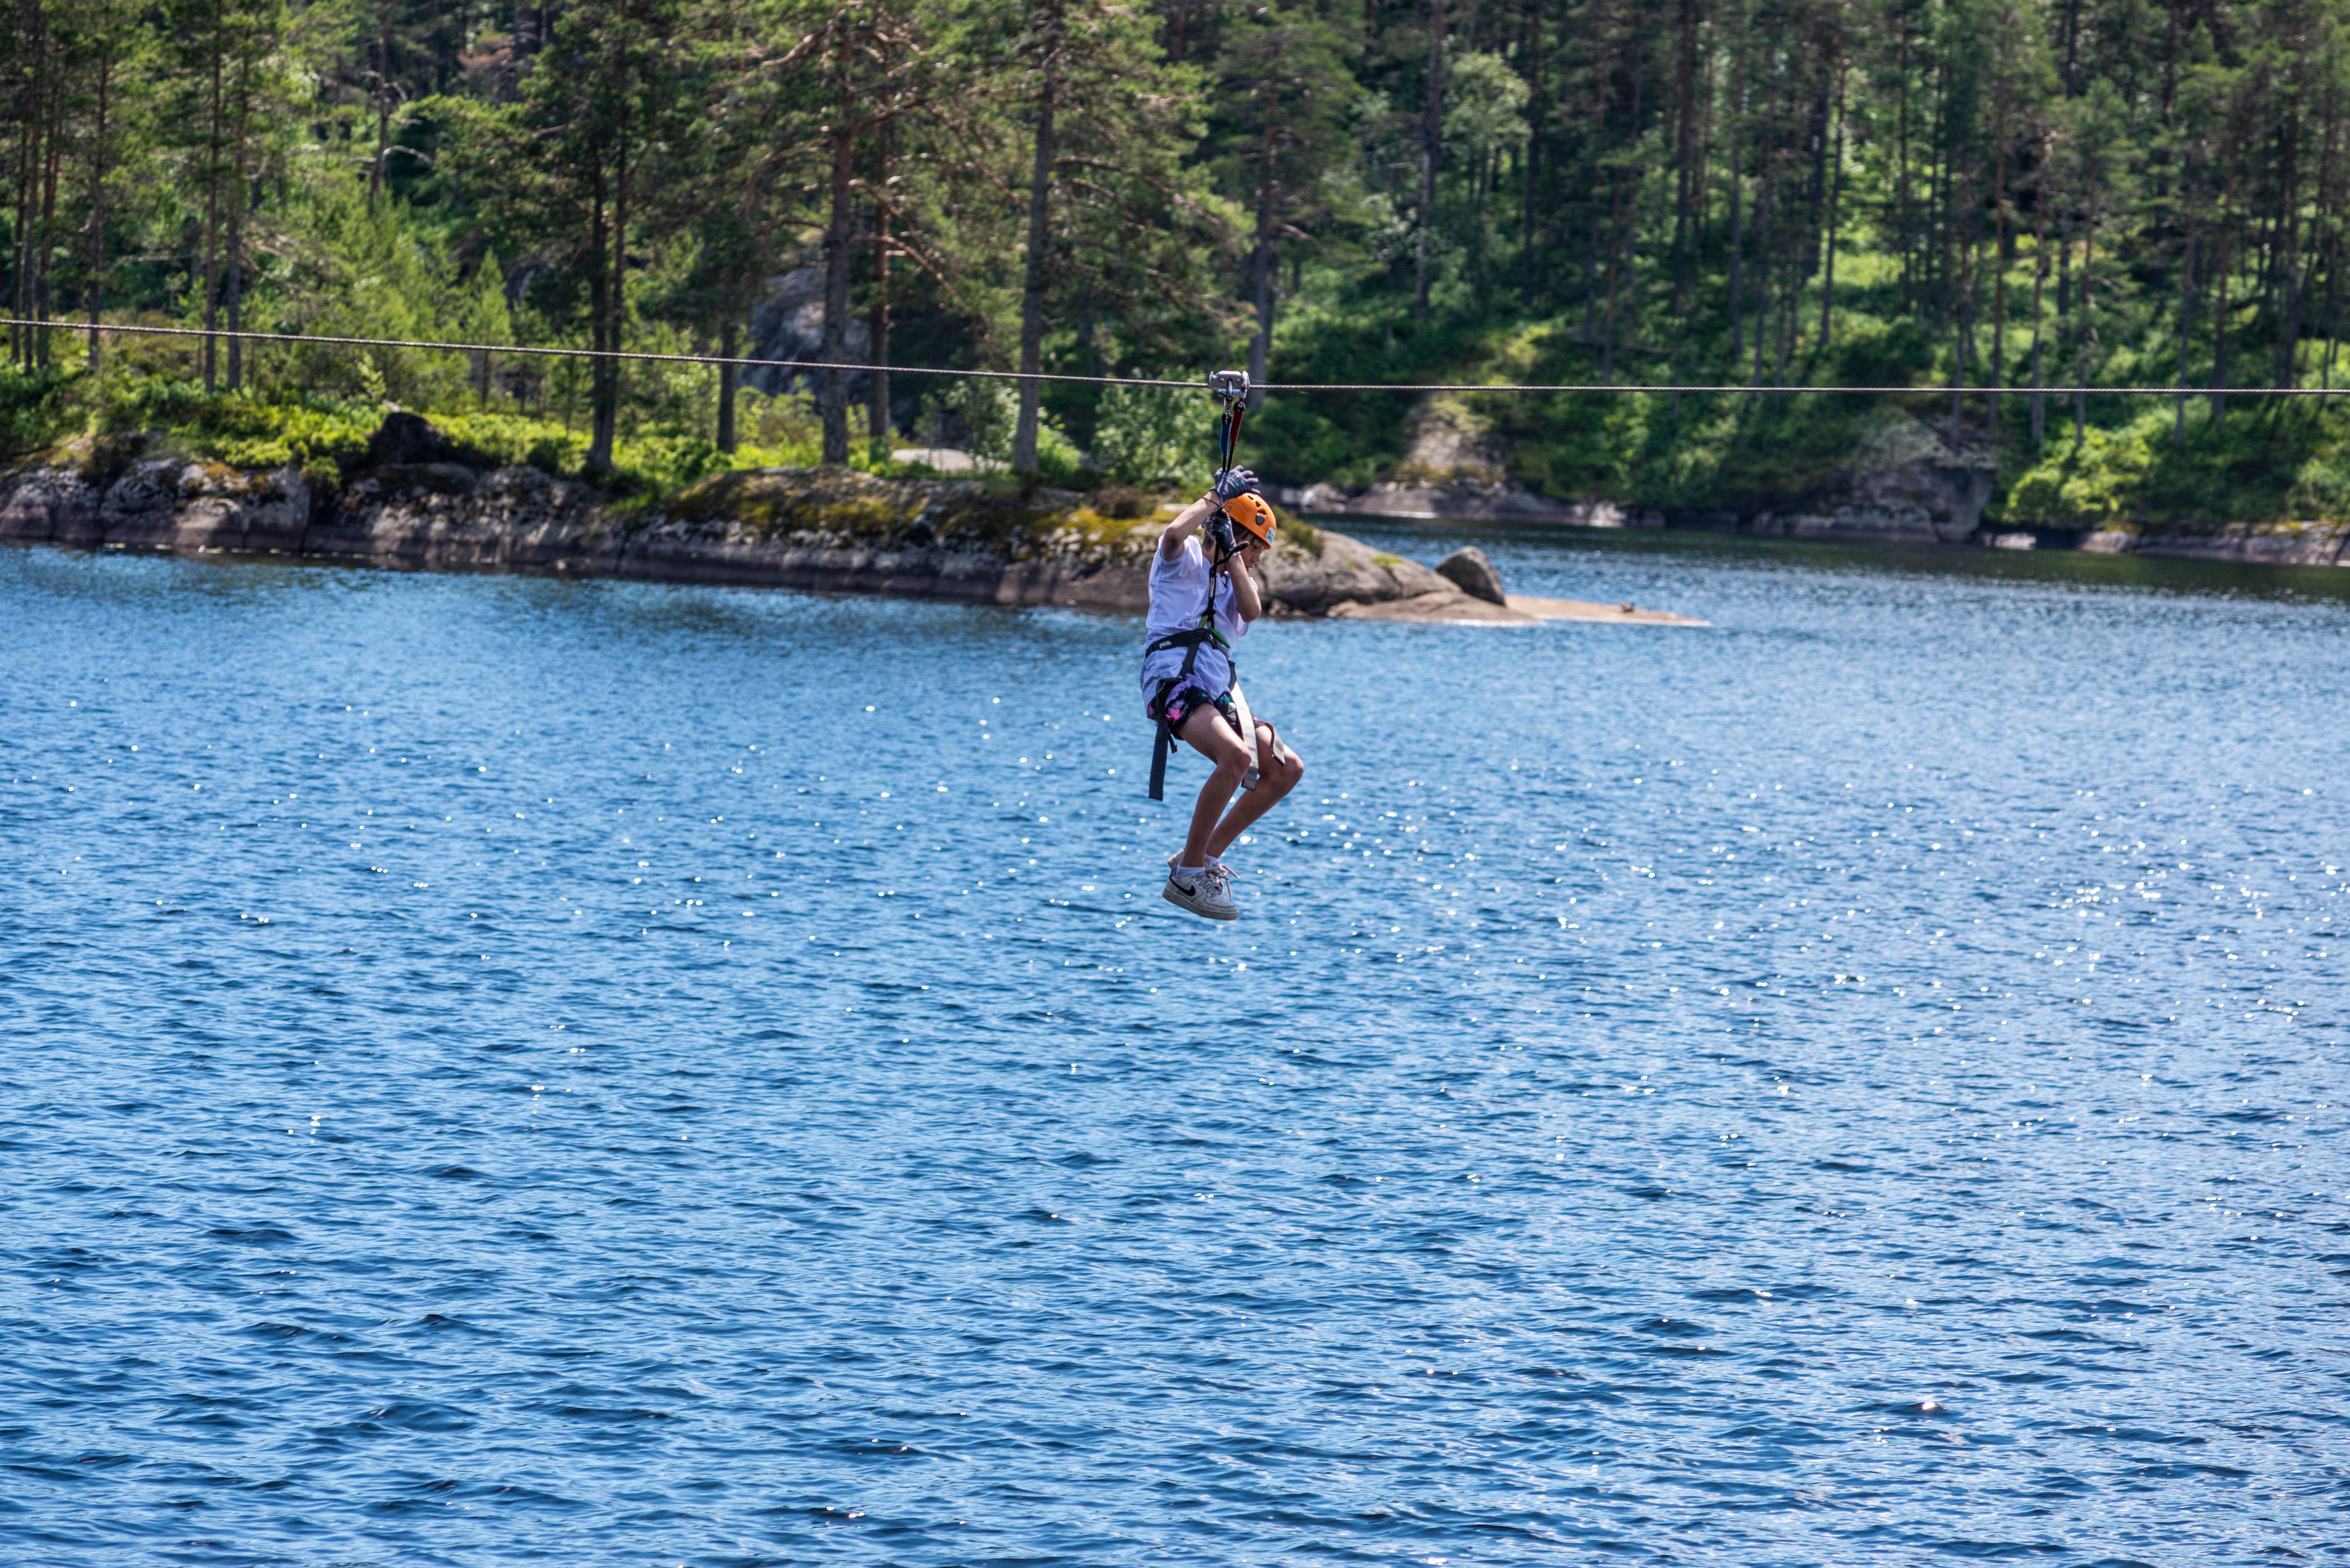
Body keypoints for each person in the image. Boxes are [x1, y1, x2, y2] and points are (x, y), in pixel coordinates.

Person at [1142, 466, 1306, 920]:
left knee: (1286, 769)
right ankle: (1188, 877)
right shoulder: (1184, 560)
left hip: (1216, 689)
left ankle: (1200, 857)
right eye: (1257, 549)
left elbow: (1253, 608)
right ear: (1239, 535)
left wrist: (1233, 553)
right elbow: (1175, 533)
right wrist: (1216, 499)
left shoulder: (1235, 582)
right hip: (1172, 680)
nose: (1257, 561)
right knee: (1234, 759)